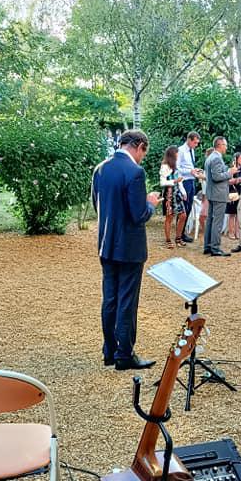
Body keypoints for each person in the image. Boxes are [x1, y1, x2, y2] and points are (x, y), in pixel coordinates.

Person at [92, 130, 162, 370]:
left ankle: (109, 350)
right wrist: (151, 204)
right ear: (139, 145)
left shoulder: (100, 168)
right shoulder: (135, 172)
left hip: (106, 243)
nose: (143, 157)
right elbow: (138, 215)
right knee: (127, 301)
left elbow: (96, 205)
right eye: (144, 152)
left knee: (109, 298)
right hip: (129, 247)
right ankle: (124, 354)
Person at [203, 136, 237, 257]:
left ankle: (207, 246)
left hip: (212, 193)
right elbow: (217, 177)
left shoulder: (210, 157)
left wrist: (227, 171)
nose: (226, 147)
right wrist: (230, 173)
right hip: (218, 194)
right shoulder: (216, 158)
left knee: (211, 221)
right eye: (225, 145)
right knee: (217, 221)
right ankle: (215, 248)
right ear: (220, 145)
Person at [158, 146, 187, 248]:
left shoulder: (177, 165)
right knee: (169, 217)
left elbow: (180, 181)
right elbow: (162, 182)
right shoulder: (165, 166)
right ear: (172, 154)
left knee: (183, 215)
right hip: (169, 193)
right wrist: (174, 181)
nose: (178, 155)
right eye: (177, 153)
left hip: (177, 193)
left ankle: (178, 238)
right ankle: (168, 240)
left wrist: (183, 192)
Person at [176, 131, 200, 243]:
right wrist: (189, 171)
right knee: (183, 207)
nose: (196, 145)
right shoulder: (180, 150)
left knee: (189, 207)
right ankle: (178, 234)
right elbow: (177, 168)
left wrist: (194, 171)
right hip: (184, 181)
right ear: (189, 140)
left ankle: (183, 232)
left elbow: (190, 166)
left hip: (191, 180)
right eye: (195, 142)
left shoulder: (192, 151)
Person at [225, 153, 241, 240]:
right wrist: (237, 180)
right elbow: (228, 181)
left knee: (239, 214)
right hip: (233, 193)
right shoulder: (232, 169)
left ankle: (237, 232)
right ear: (236, 159)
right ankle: (231, 232)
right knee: (232, 214)